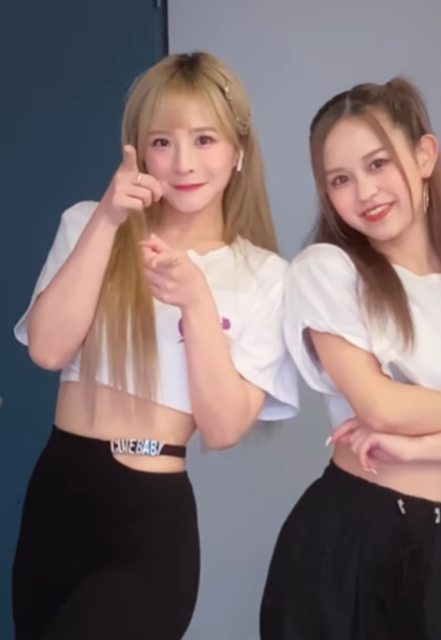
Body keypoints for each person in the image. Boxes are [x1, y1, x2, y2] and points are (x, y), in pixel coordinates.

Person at [13, 52, 298, 640]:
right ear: (139, 151)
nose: (184, 162)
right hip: (55, 497)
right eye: (163, 142)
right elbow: (47, 350)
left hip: (147, 520)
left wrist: (197, 304)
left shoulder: (265, 277)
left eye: (205, 139)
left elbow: (223, 428)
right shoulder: (87, 223)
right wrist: (108, 221)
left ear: (238, 149)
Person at [260, 78, 441, 639]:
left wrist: (422, 445)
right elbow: (382, 407)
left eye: (378, 164)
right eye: (340, 180)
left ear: (425, 156)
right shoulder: (328, 270)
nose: (364, 192)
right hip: (347, 547)